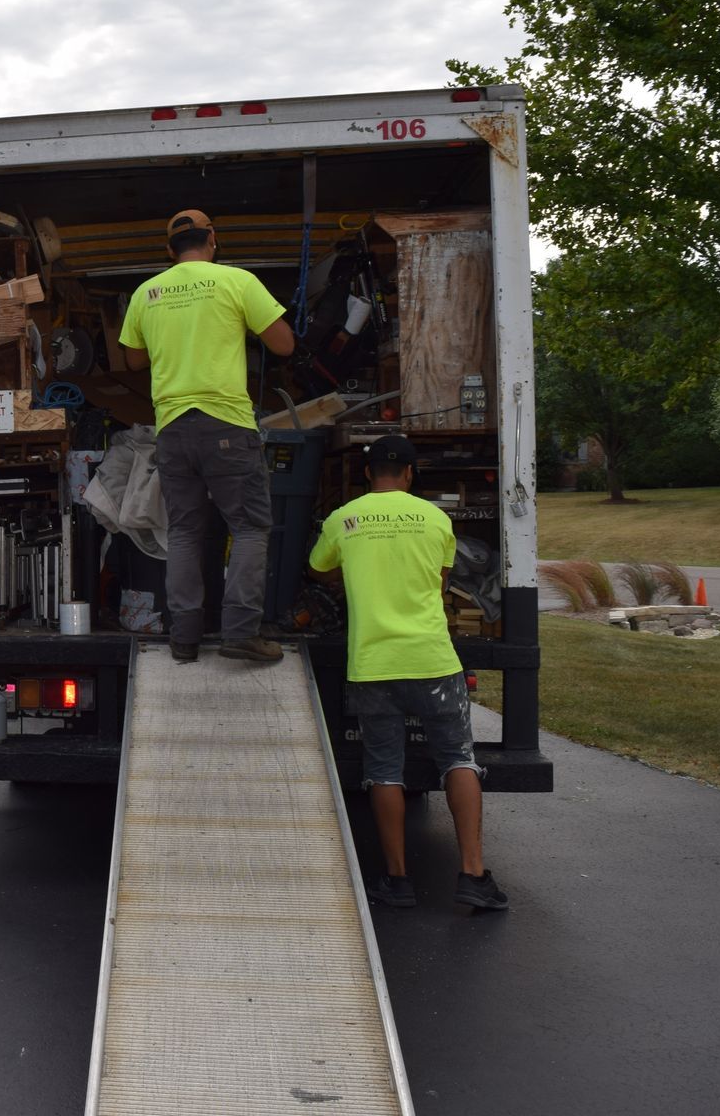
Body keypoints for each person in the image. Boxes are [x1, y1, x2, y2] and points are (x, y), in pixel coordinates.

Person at [308, 434, 509, 912]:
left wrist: (354, 566)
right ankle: (473, 875)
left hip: (373, 664)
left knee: (383, 770)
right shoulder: (436, 518)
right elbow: (440, 581)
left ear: (366, 474)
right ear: (411, 474)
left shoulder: (344, 519)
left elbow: (318, 570)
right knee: (458, 759)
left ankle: (397, 880)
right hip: (432, 660)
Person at [118, 208, 297, 662]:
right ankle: (239, 630)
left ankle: (184, 637)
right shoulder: (237, 282)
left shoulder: (147, 292)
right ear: (213, 239)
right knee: (251, 527)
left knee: (183, 532)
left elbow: (133, 360)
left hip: (173, 428)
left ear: (168, 250)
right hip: (227, 425)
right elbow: (284, 344)